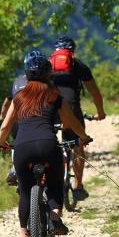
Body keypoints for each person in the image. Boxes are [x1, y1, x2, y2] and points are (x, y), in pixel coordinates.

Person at [0, 55, 90, 237]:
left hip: (22, 148)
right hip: (48, 146)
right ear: (49, 74)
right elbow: (72, 122)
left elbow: (6, 125)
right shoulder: (54, 95)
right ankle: (55, 217)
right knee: (55, 183)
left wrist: (1, 142)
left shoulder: (19, 96)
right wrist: (83, 137)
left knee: (25, 192)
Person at [49, 35, 105, 201]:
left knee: (49, 141)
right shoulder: (78, 65)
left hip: (49, 110)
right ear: (72, 50)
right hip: (72, 109)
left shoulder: (46, 65)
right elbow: (95, 93)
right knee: (78, 144)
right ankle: (78, 186)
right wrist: (100, 113)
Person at [0, 50, 45, 185]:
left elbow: (7, 102)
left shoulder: (17, 82)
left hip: (18, 121)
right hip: (41, 123)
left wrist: (3, 117)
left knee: (16, 142)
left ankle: (15, 168)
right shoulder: (48, 84)